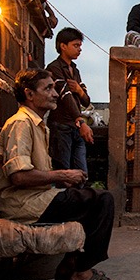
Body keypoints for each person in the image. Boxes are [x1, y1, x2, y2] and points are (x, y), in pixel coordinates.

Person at [0, 68, 121, 280]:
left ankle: (69, 266)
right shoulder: (21, 123)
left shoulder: (38, 125)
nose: (55, 94)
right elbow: (18, 176)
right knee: (103, 200)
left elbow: (35, 173)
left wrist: (62, 181)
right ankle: (82, 273)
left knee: (88, 197)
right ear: (29, 94)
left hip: (37, 198)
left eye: (54, 88)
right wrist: (62, 175)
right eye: (48, 88)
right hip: (24, 204)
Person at [46, 28, 93, 176]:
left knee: (81, 172)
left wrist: (79, 90)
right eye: (76, 45)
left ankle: (79, 197)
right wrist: (80, 120)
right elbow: (65, 95)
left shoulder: (75, 70)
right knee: (63, 171)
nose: (79, 50)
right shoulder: (54, 68)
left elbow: (86, 100)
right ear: (63, 46)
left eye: (80, 46)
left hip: (75, 127)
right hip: (61, 126)